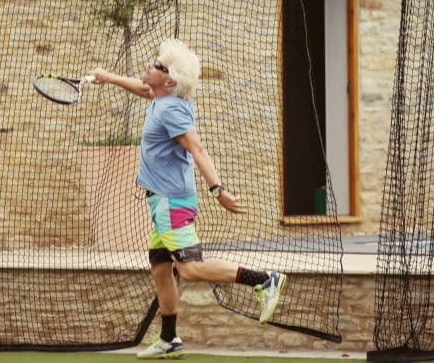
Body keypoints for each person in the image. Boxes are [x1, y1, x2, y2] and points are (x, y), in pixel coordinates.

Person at [89, 38, 286, 360]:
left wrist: (218, 190)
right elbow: (142, 90)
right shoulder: (163, 97)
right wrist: (108, 77)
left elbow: (197, 148)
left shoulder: (169, 111)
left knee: (191, 269)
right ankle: (169, 339)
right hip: (161, 202)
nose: (150, 66)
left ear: (168, 80)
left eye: (157, 65)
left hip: (171, 201)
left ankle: (264, 280)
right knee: (160, 268)